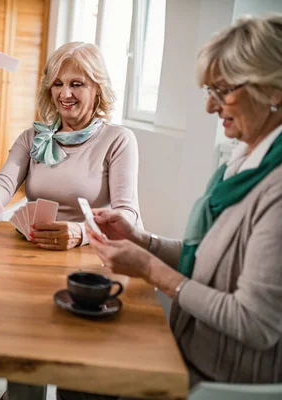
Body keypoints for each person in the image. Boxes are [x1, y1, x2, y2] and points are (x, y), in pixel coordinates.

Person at [59, 14, 282, 400]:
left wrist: (151, 270)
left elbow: (254, 323)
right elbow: (211, 260)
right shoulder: (246, 163)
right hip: (190, 351)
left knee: (84, 375)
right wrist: (143, 240)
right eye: (209, 91)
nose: (212, 107)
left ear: (274, 90)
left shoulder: (275, 190)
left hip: (222, 382)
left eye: (224, 90)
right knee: (79, 368)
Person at [0, 42, 142, 251]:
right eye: (58, 84)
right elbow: (4, 183)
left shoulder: (118, 140)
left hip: (95, 251)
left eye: (76, 84)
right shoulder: (32, 137)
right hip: (37, 248)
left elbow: (126, 213)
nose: (65, 94)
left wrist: (81, 232)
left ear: (97, 88)